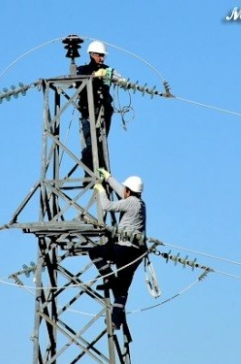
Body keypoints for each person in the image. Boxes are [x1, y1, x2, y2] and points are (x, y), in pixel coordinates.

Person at [89, 168, 147, 330]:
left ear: (129, 190)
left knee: (95, 252)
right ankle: (115, 321)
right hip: (137, 253)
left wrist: (100, 190)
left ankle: (109, 278)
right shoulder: (140, 204)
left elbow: (107, 206)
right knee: (122, 290)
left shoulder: (129, 202)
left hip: (123, 249)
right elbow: (123, 193)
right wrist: (108, 178)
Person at [77, 40, 116, 174]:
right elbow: (77, 82)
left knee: (100, 142)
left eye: (103, 55)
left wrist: (115, 78)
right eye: (100, 55)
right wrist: (93, 76)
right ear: (92, 54)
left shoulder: (107, 70)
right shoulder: (82, 70)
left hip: (103, 112)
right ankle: (92, 173)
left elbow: (113, 79)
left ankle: (99, 173)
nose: (102, 58)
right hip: (87, 112)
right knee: (90, 144)